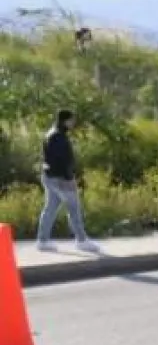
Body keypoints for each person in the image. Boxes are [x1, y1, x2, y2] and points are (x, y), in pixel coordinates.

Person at [37, 108, 97, 252]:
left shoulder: (52, 133)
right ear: (65, 120)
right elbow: (61, 161)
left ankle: (42, 241)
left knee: (50, 208)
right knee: (74, 208)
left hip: (50, 176)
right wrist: (68, 178)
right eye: (72, 120)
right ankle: (82, 240)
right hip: (60, 179)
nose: (74, 122)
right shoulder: (58, 136)